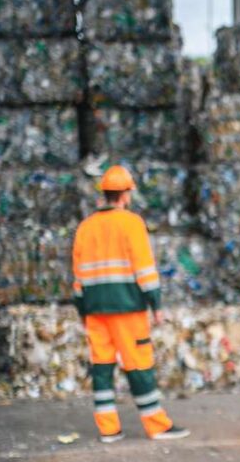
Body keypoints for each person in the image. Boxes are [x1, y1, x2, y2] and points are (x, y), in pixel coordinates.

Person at [72, 165, 189, 442]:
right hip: (127, 309)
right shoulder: (131, 223)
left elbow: (77, 275)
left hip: (94, 310)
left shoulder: (85, 227)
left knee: (101, 368)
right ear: (125, 195)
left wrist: (81, 309)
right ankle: (156, 424)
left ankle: (108, 428)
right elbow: (145, 269)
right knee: (138, 364)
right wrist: (156, 304)